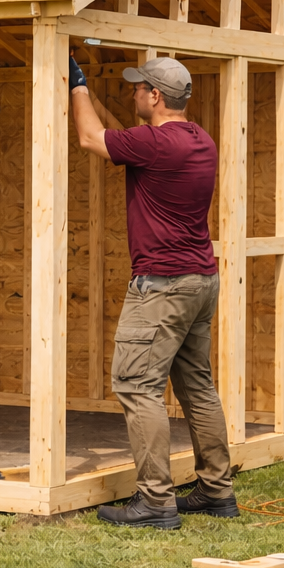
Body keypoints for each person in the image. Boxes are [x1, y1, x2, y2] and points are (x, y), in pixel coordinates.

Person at [69, 54, 239, 529]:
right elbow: (118, 138)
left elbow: (89, 138)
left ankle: (155, 502)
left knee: (136, 386)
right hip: (200, 281)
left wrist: (77, 86)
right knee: (197, 385)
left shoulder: (155, 143)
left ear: (156, 95)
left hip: (162, 286)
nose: (134, 93)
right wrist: (94, 100)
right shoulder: (199, 139)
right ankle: (217, 490)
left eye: (138, 88)